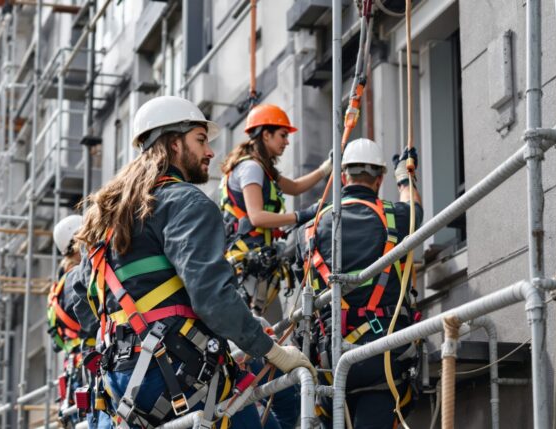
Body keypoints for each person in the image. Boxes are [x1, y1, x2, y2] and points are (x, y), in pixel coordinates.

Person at [74, 96, 314, 429]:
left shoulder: (109, 216)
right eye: (200, 140)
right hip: (179, 374)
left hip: (121, 382)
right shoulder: (186, 202)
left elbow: (82, 302)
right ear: (174, 144)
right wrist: (272, 351)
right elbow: (211, 297)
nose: (210, 152)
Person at [295, 138, 423, 429]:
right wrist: (405, 177)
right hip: (383, 354)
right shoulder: (398, 217)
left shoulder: (310, 228)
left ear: (342, 178)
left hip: (328, 356)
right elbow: (415, 209)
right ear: (379, 180)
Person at [220, 103, 331, 315]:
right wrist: (300, 215)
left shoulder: (263, 170)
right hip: (249, 261)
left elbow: (296, 187)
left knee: (265, 331)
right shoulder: (251, 168)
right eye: (283, 135)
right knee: (261, 330)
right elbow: (257, 217)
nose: (287, 142)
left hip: (256, 262)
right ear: (266, 135)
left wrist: (326, 168)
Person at [48, 215, 108, 428]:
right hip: (88, 364)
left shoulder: (58, 289)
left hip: (74, 366)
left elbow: (56, 343)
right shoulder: (77, 278)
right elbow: (91, 319)